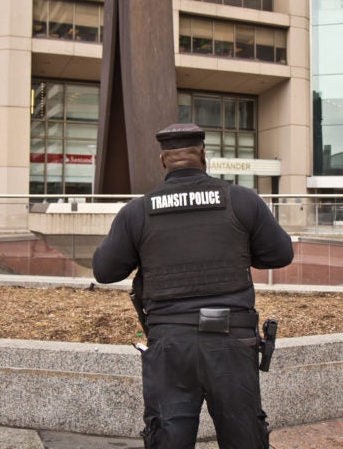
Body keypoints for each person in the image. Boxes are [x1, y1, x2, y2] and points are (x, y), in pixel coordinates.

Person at [92, 123, 294, 449]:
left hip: (170, 344)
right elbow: (281, 254)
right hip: (232, 343)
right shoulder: (241, 200)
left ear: (163, 160)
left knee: (167, 440)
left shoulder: (138, 212)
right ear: (203, 155)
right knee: (245, 439)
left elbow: (104, 270)